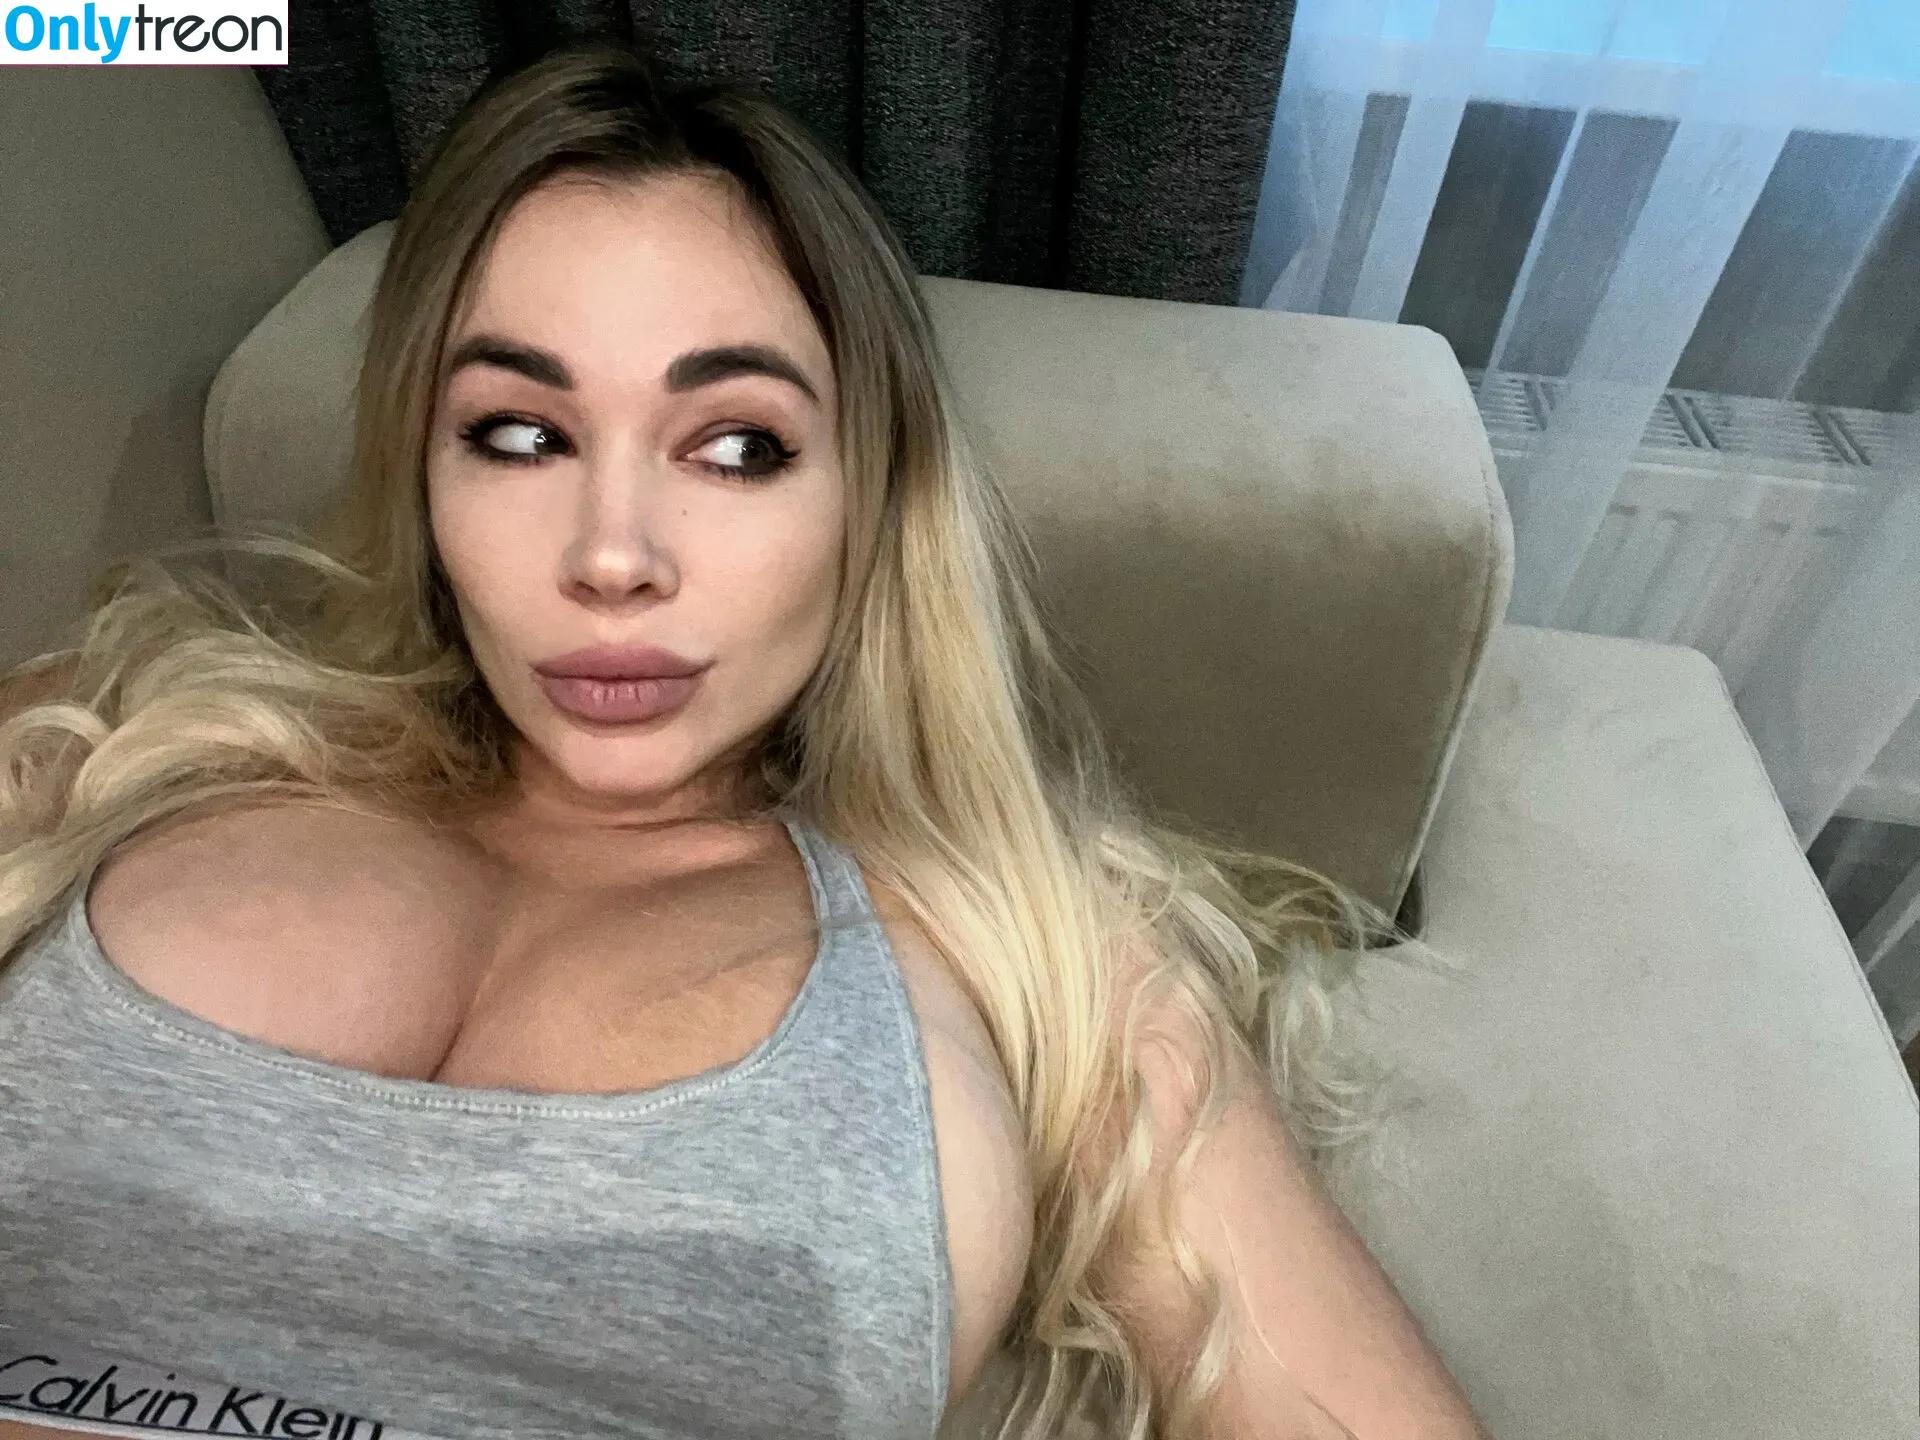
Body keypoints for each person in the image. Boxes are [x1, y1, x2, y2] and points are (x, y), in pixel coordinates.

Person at [0, 40, 1490, 1440]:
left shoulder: (1043, 943)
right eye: (520, 434)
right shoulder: (140, 727)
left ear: (869, 500)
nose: (613, 556)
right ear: (424, 472)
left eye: (738, 447)